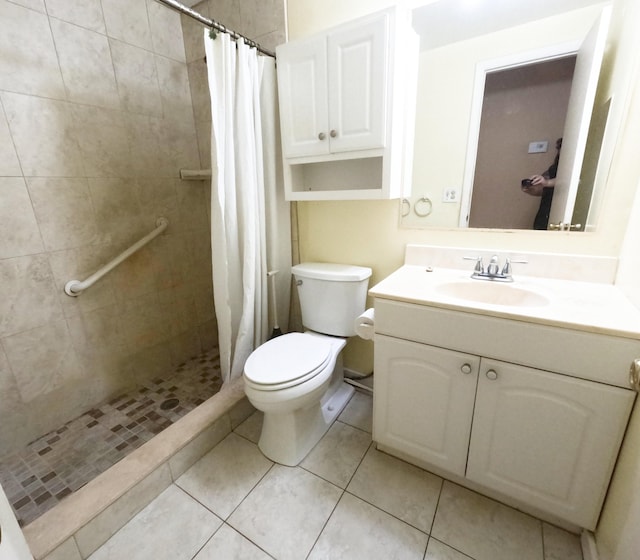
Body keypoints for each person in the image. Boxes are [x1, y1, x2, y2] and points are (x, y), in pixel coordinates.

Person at [521, 138, 562, 230]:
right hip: (545, 214)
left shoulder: (576, 169)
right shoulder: (554, 168)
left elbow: (568, 180)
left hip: (561, 215)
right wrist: (530, 188)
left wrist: (548, 182)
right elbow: (541, 190)